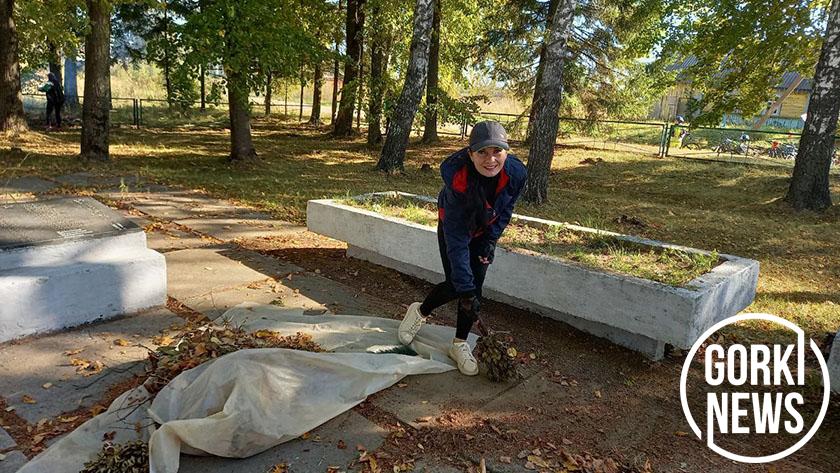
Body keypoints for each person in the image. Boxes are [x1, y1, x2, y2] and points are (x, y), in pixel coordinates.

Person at [397, 121, 527, 375]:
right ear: (470, 154)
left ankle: (458, 344)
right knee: (459, 284)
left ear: (506, 152)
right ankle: (420, 311)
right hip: (455, 229)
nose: (491, 159)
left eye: (497, 151)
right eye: (482, 152)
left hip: (484, 230)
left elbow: (505, 210)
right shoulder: (459, 181)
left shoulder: (516, 174)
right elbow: (456, 241)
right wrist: (465, 290)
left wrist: (489, 242)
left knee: (475, 287)